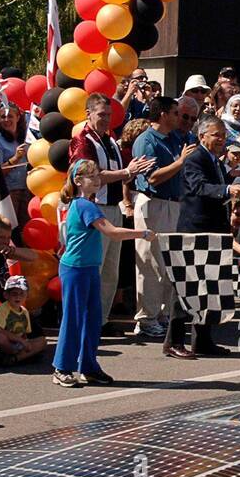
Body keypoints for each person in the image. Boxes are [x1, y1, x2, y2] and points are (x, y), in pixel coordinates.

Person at [53, 159, 153, 387]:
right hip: (76, 269)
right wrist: (143, 233)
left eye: (98, 176)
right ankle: (62, 367)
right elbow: (113, 233)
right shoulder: (84, 205)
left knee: (92, 318)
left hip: (87, 268)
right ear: (78, 180)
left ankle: (88, 366)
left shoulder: (87, 204)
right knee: (74, 317)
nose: (97, 180)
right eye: (92, 177)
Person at [164, 117, 240, 359]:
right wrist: (226, 190)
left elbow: (215, 191)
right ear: (202, 136)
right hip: (194, 231)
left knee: (210, 287)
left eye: (222, 135)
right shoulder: (194, 159)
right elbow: (199, 187)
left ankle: (203, 340)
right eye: (215, 135)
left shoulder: (216, 162)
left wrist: (231, 190)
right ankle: (174, 341)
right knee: (186, 286)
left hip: (214, 231)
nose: (221, 140)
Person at [69, 92, 154, 327]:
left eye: (109, 114)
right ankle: (87, 320)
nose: (106, 119)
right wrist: (127, 172)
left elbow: (118, 173)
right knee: (94, 268)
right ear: (88, 114)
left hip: (113, 207)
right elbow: (90, 175)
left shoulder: (109, 140)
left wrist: (132, 172)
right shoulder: (82, 140)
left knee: (110, 272)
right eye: (101, 114)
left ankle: (101, 319)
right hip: (93, 209)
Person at [131, 96, 193, 338]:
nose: (180, 118)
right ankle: (146, 318)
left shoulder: (175, 138)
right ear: (163, 114)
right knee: (150, 263)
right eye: (176, 113)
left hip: (172, 204)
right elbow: (153, 178)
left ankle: (163, 314)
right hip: (153, 203)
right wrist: (180, 162)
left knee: (168, 263)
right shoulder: (146, 141)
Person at [0, 275, 48, 365]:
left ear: (27, 295)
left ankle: (14, 359)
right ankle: (9, 356)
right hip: (1, 346)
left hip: (16, 343)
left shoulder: (25, 311)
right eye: (14, 294)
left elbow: (25, 333)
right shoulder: (2, 309)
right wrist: (20, 341)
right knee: (0, 337)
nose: (18, 297)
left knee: (42, 341)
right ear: (6, 295)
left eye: (21, 294)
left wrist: (25, 342)